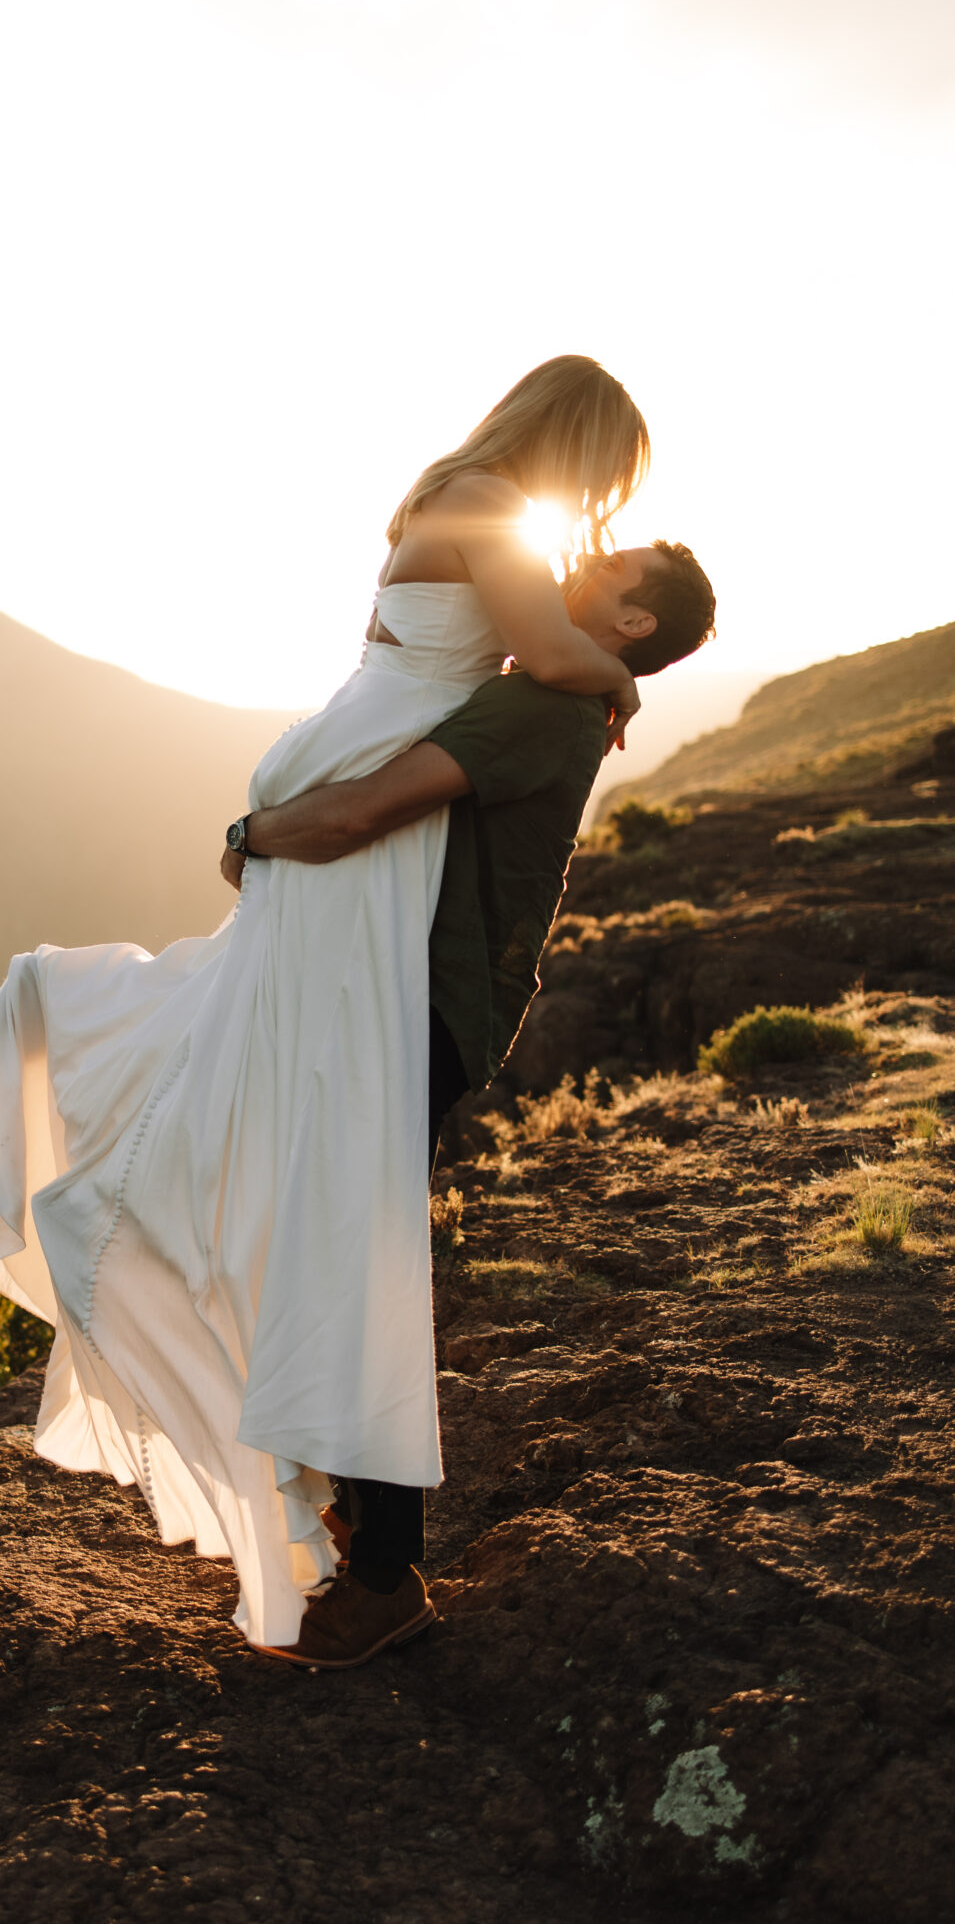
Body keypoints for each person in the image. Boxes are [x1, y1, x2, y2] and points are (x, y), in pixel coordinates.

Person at [0, 356, 664, 1659]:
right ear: (576, 444)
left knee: (291, 1139)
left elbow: (523, 655)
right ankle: (368, 1547)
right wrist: (622, 677)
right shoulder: (489, 503)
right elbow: (547, 651)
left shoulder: (461, 494)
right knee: (329, 1167)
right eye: (602, 480)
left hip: (355, 780)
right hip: (360, 811)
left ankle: (340, 1505)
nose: (595, 511)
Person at [217, 534, 716, 1664]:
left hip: (425, 1012)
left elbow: (365, 811)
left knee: (358, 1257)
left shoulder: (538, 712)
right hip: (414, 1000)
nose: (582, 555)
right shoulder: (554, 690)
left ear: (632, 622)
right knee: (338, 1242)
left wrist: (253, 837)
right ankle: (356, 1514)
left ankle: (386, 1571)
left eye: (613, 562)